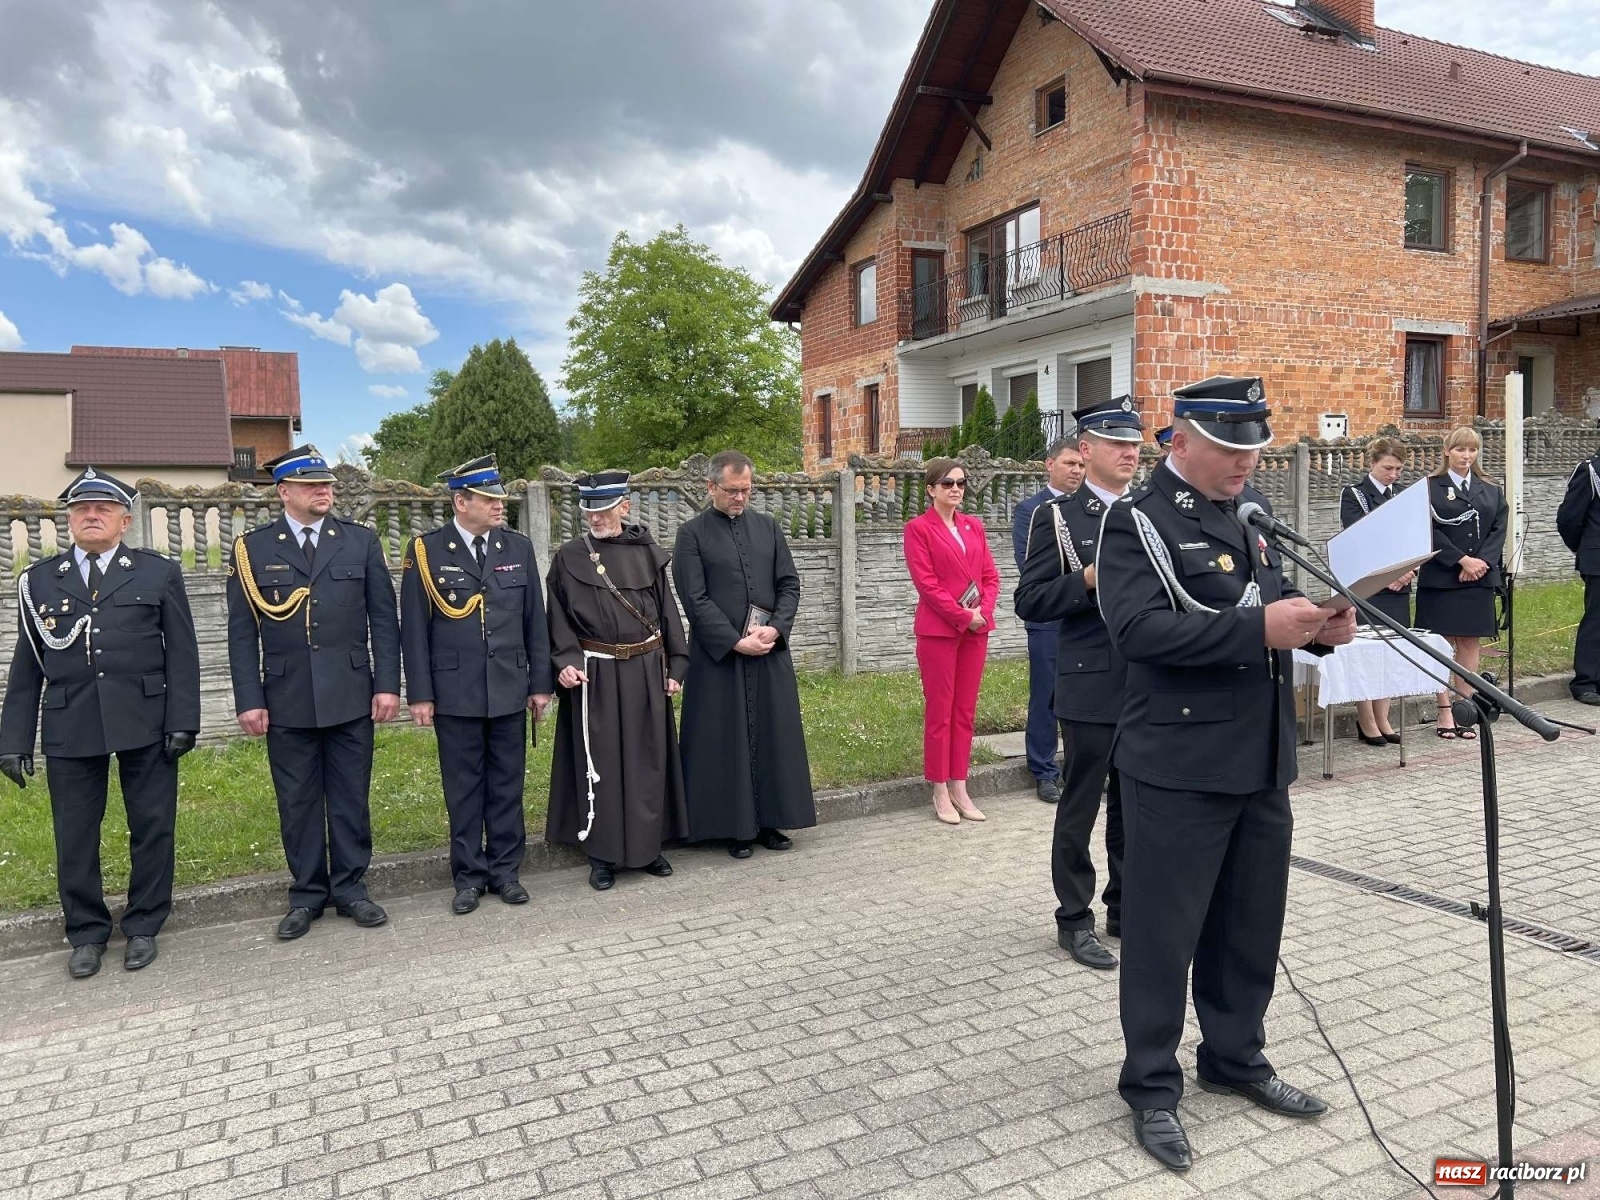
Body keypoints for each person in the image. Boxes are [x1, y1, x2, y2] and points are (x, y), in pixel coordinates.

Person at [1096, 377, 1356, 1172]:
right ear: (1180, 442)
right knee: (1162, 935)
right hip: (1178, 765)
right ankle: (1150, 1085)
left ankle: (1235, 1057)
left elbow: (1270, 609)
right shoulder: (1135, 522)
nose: (1247, 464)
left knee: (1249, 925)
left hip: (1258, 759)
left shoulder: (1249, 519)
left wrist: (1317, 628)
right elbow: (1138, 632)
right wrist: (1261, 628)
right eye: (1231, 449)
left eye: (1254, 449)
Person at [0, 469, 200, 979]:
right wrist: (13, 739)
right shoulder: (40, 580)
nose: (91, 516)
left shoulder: (157, 572)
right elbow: (27, 667)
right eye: (81, 509)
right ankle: (86, 932)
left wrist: (183, 721)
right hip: (72, 722)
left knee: (152, 825)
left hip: (146, 718)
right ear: (69, 519)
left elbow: (182, 653)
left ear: (124, 520)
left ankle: (143, 925)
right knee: (75, 833)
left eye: (103, 509)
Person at [227, 445, 401, 940]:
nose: (323, 491)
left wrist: (387, 684)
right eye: (311, 485)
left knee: (350, 796)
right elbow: (242, 632)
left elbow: (383, 620)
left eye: (325, 485)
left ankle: (351, 889)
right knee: (297, 800)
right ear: (284, 492)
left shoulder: (359, 542)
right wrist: (249, 697)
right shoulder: (254, 549)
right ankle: (306, 894)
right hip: (286, 697)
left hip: (350, 691)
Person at [1014, 398, 1141, 973]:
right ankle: (1074, 918)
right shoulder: (1059, 518)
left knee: (1135, 802)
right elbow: (1031, 599)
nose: (1131, 453)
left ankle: (1125, 905)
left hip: (1146, 679)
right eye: (1119, 444)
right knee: (1082, 803)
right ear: (1087, 451)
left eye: (1136, 445)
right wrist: (1085, 580)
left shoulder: (1148, 512)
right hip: (1091, 682)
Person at [401, 454, 554, 915]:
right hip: (455, 691)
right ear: (460, 501)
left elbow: (535, 621)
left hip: (509, 685)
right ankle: (468, 876)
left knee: (507, 784)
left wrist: (539, 683)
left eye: (500, 498)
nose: (498, 505)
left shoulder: (517, 547)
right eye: (488, 498)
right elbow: (414, 629)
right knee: (463, 788)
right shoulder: (426, 551)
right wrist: (422, 694)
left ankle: (506, 871)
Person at [546, 471, 690, 890]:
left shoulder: (648, 552)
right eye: (589, 510)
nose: (595, 518)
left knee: (649, 759)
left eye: (603, 509)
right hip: (597, 675)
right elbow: (556, 617)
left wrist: (676, 665)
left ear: (624, 507)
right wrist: (566, 661)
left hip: (646, 669)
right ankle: (602, 855)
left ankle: (649, 849)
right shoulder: (569, 557)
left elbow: (667, 613)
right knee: (601, 763)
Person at [673, 451, 816, 857]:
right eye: (732, 491)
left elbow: (789, 584)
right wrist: (735, 641)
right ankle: (733, 827)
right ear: (711, 487)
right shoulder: (692, 534)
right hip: (720, 657)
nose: (739, 498)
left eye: (746, 490)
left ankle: (771, 821)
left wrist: (776, 628)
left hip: (768, 651)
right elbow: (694, 599)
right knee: (724, 740)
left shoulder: (768, 527)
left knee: (773, 736)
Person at [903, 457, 1000, 825]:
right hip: (940, 630)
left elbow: (990, 576)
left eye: (960, 482)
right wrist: (963, 615)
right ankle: (939, 788)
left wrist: (982, 613)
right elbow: (926, 584)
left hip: (976, 631)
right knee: (940, 711)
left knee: (965, 710)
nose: (955, 489)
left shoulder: (974, 526)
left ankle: (960, 784)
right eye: (947, 483)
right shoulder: (918, 529)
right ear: (931, 489)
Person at [1414, 427, 1507, 740]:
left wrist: (1479, 563)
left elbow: (1498, 528)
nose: (1466, 456)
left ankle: (1464, 707)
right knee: (1440, 643)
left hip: (1479, 577)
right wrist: (1460, 561)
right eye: (1460, 450)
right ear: (1446, 451)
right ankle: (1443, 710)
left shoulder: (1491, 489)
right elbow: (1426, 530)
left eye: (1472, 450)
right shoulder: (1429, 487)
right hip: (1442, 577)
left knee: (1469, 643)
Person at [1010, 438, 1086, 803]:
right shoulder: (1031, 510)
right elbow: (1031, 567)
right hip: (1050, 619)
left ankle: (1080, 768)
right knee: (1047, 695)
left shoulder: (1090, 508)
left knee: (1085, 696)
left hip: (1088, 619)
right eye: (1069, 463)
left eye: (1081, 465)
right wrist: (1080, 583)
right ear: (1049, 464)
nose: (1076, 471)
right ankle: (1043, 770)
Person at [1338, 438, 1416, 745]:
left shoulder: (1403, 495)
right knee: (1369, 651)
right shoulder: (1355, 495)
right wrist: (1390, 575)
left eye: (1398, 469)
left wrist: (1409, 569)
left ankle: (1383, 716)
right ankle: (1366, 718)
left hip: (1400, 583)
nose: (1393, 475)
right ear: (1372, 463)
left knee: (1390, 652)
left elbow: (1414, 537)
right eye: (1388, 468)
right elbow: (1360, 539)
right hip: (1369, 584)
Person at [1555, 447, 1600, 705]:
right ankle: (1586, 681)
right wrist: (1585, 549)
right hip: (1598, 559)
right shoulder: (1590, 470)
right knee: (1597, 620)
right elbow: (1568, 519)